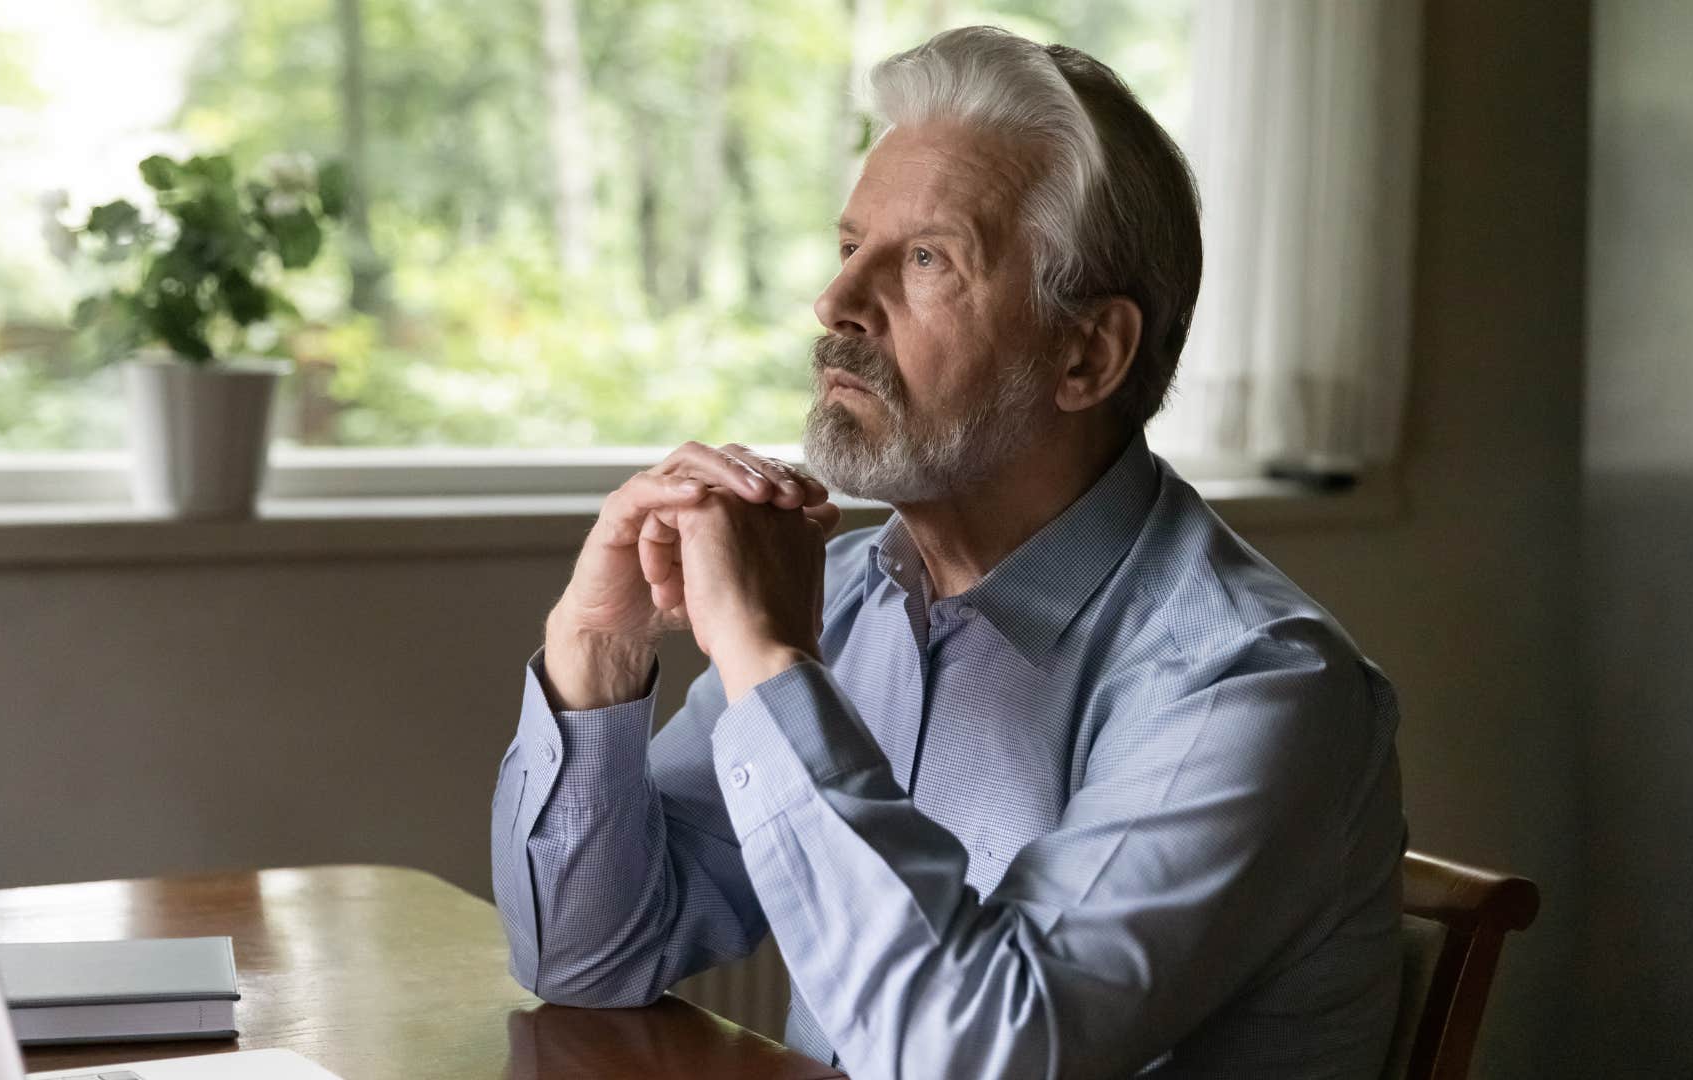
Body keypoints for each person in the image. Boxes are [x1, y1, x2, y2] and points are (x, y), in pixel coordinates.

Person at [490, 25, 1403, 1080]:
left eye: (927, 258)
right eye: (850, 248)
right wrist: (599, 650)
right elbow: (588, 955)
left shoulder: (1253, 683)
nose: (835, 304)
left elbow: (976, 1056)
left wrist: (768, 666)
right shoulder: (848, 601)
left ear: (1086, 353)